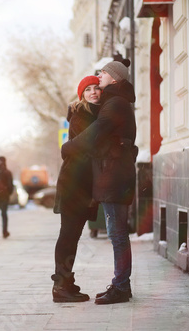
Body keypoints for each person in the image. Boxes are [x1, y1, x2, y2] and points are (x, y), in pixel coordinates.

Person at [62, 58, 138, 305]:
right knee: (116, 233)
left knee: (117, 234)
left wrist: (69, 146)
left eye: (103, 73)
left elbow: (99, 130)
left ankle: (121, 287)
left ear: (114, 77)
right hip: (112, 174)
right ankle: (120, 284)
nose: (99, 77)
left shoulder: (115, 102)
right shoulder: (115, 100)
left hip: (114, 175)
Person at [51, 76, 102, 302]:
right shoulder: (82, 115)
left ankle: (66, 282)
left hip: (81, 184)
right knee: (68, 236)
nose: (93, 92)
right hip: (74, 184)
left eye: (96, 88)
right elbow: (87, 148)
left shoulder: (93, 113)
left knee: (72, 236)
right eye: (88, 90)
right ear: (81, 95)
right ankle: (60, 287)